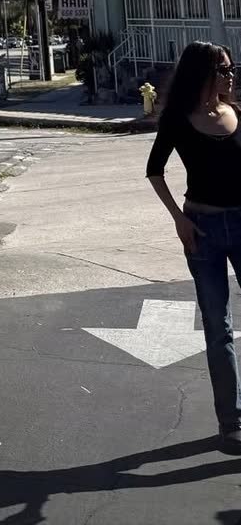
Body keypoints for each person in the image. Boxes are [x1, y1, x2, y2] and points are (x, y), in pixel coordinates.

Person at [146, 41, 241, 449]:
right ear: (203, 73)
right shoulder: (178, 120)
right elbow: (155, 170)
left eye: (232, 69)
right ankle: (231, 422)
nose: (231, 76)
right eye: (223, 70)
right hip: (201, 230)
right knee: (218, 328)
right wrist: (179, 219)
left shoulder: (236, 113)